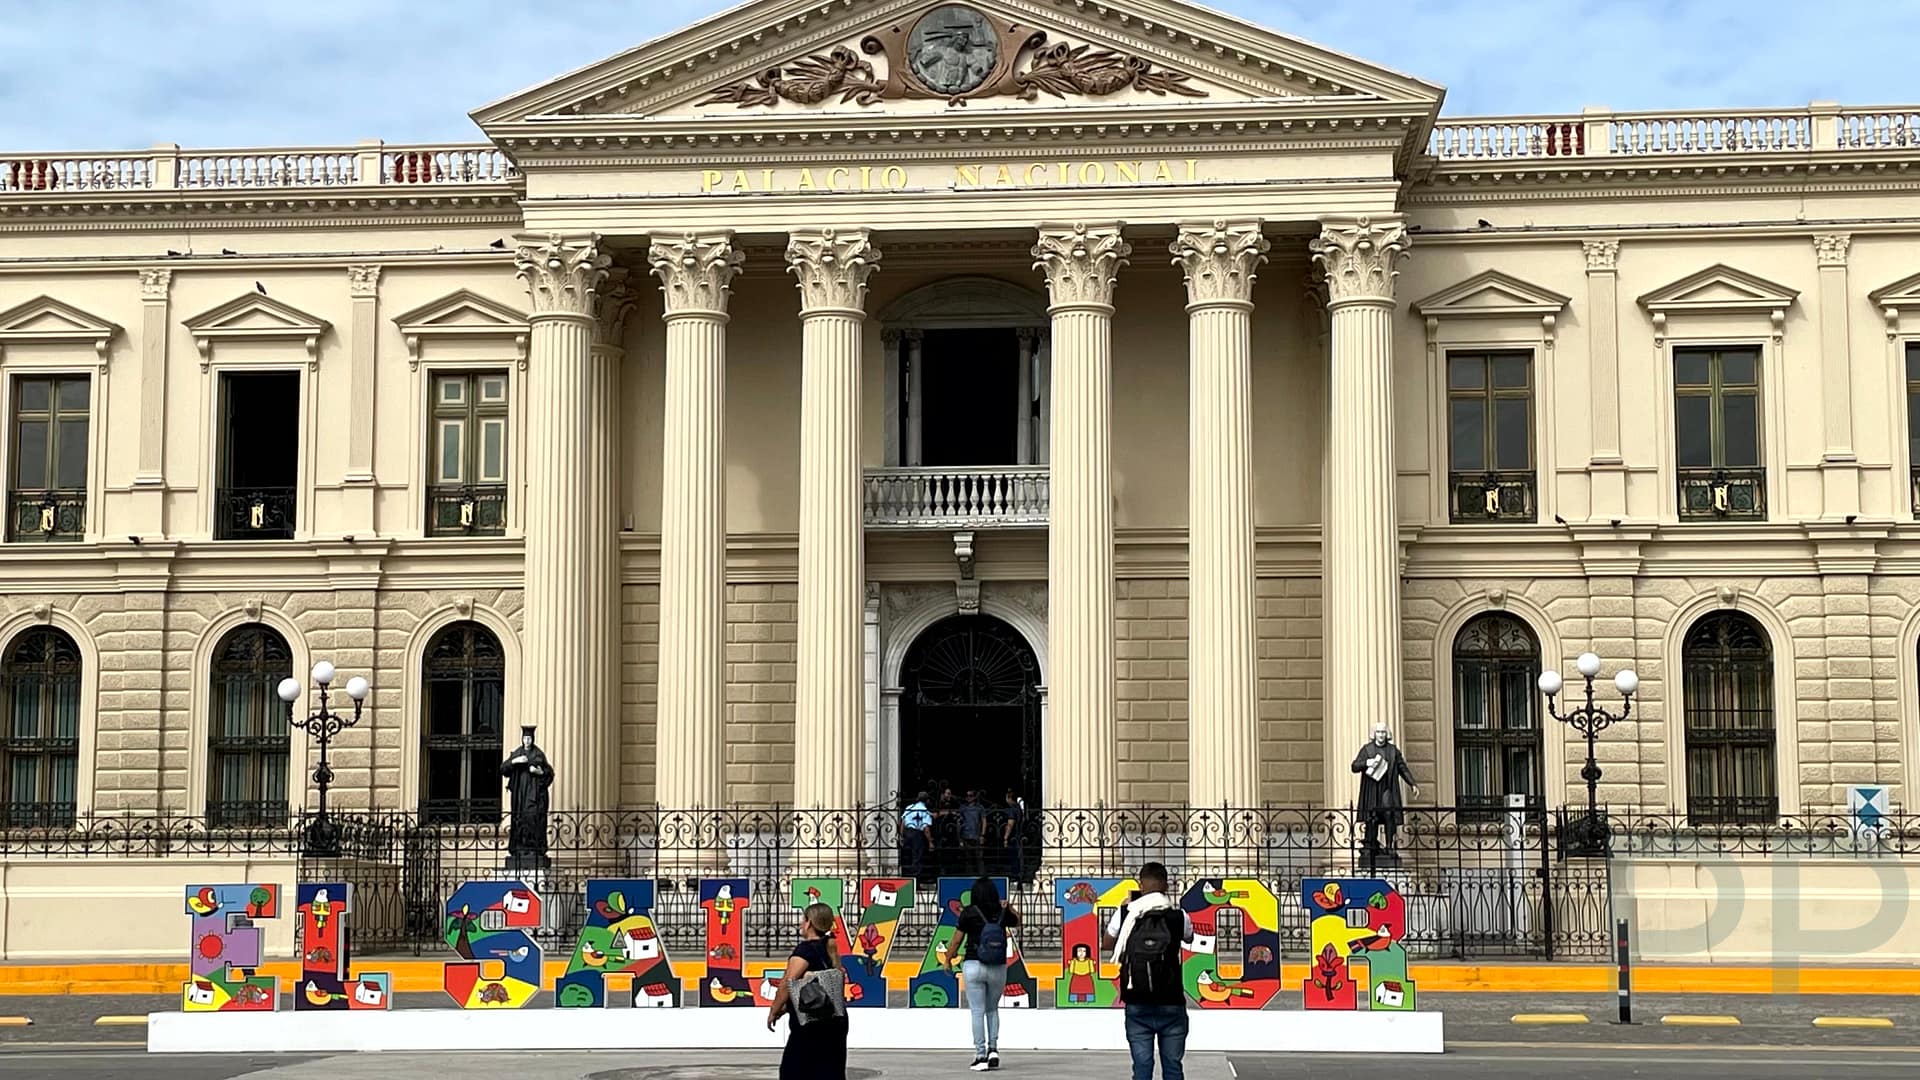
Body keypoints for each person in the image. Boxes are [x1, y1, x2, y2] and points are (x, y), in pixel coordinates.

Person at [1103, 862, 1194, 1080]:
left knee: (1142, 1067)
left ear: (1140, 885)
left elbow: (1107, 943)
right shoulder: (1179, 917)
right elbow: (1189, 938)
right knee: (1173, 1067)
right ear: (1167, 886)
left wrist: (1127, 908)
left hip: (1137, 1002)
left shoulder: (1126, 913)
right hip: (1171, 1002)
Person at [941, 875, 1021, 1072]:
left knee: (977, 1011)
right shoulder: (1001, 911)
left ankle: (980, 1055)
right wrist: (1008, 907)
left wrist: (948, 960)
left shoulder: (968, 913)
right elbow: (1018, 922)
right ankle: (994, 1049)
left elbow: (956, 941)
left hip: (973, 965)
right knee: (992, 1009)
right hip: (997, 966)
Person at [766, 902, 849, 1080]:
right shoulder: (831, 945)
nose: (800, 924)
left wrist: (775, 1010)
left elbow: (788, 983)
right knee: (830, 1071)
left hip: (811, 1022)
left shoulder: (805, 950)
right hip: (835, 1020)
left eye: (803, 920)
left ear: (809, 922)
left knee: (793, 1071)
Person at [1353, 722, 1420, 871]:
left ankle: (1390, 846)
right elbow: (1355, 766)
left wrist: (1412, 784)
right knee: (1372, 817)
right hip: (1372, 789)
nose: (1381, 735)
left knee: (1389, 814)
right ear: (1374, 734)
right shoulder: (1367, 749)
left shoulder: (1393, 751)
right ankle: (1370, 845)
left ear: (1387, 734)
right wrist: (1367, 762)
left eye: (1383, 732)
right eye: (1378, 732)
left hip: (1387, 788)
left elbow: (1403, 768)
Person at [902, 792, 933, 882]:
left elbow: (903, 823)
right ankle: (916, 882)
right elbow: (926, 828)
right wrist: (930, 841)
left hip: (908, 833)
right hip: (917, 834)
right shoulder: (924, 811)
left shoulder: (909, 808)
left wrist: (901, 836)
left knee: (908, 857)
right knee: (917, 858)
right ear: (927, 801)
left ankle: (907, 879)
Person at [999, 788, 1026, 882]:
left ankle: (1016, 876)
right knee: (1019, 857)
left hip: (1013, 837)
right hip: (1019, 835)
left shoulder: (1011, 810)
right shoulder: (1018, 809)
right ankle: (1020, 874)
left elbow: (1010, 824)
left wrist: (1005, 837)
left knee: (1014, 858)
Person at [958, 790, 987, 877]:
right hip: (966, 835)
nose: (968, 797)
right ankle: (968, 877)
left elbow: (984, 821)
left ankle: (982, 878)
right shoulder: (963, 808)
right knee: (968, 859)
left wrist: (982, 834)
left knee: (979, 858)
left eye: (970, 796)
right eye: (967, 796)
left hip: (976, 836)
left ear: (974, 797)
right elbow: (959, 820)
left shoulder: (979, 808)